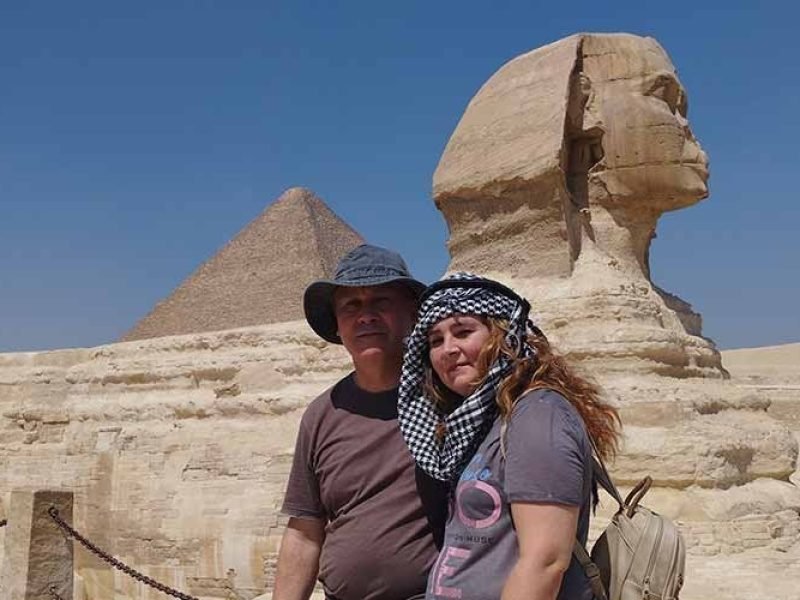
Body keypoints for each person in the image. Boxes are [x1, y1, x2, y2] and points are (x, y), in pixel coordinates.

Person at [397, 272, 621, 600]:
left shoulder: (537, 414)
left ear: (503, 335)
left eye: (463, 332)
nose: (448, 349)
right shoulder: (482, 422)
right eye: (435, 340)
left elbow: (544, 562)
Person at [273, 244, 447, 600]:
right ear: (337, 324)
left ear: (413, 313)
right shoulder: (321, 415)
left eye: (381, 301)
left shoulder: (449, 401)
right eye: (351, 305)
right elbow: (305, 530)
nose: (365, 316)